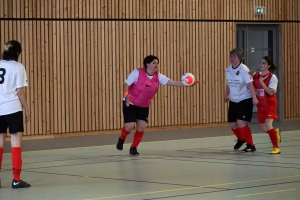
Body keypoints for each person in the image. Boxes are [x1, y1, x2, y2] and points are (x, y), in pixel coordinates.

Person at [116, 55, 199, 156]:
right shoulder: (137, 72)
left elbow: (172, 82)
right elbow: (126, 84)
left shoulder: (158, 76)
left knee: (141, 127)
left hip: (144, 105)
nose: (156, 65)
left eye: (157, 63)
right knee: (129, 126)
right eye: (154, 63)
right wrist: (126, 97)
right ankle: (121, 139)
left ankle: (133, 148)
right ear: (147, 64)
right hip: (131, 103)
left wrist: (187, 84)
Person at [0, 40, 31, 188]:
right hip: (12, 109)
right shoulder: (18, 67)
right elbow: (19, 91)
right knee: (15, 144)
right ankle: (16, 179)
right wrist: (27, 109)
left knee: (0, 144)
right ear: (17, 53)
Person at [224, 48, 259, 152]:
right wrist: (226, 95)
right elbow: (229, 83)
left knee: (241, 122)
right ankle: (241, 139)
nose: (232, 58)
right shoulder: (228, 69)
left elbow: (250, 84)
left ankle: (251, 145)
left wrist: (254, 97)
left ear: (240, 58)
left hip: (245, 99)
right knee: (232, 123)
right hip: (234, 100)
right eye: (231, 56)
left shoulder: (244, 69)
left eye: (234, 56)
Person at [252, 56, 281, 154]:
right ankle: (275, 132)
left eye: (264, 63)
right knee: (263, 128)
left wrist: (263, 84)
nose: (261, 64)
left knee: (268, 125)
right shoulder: (256, 75)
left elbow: (271, 93)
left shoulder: (272, 77)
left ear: (268, 66)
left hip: (270, 104)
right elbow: (252, 87)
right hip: (260, 105)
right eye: (260, 62)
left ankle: (276, 147)